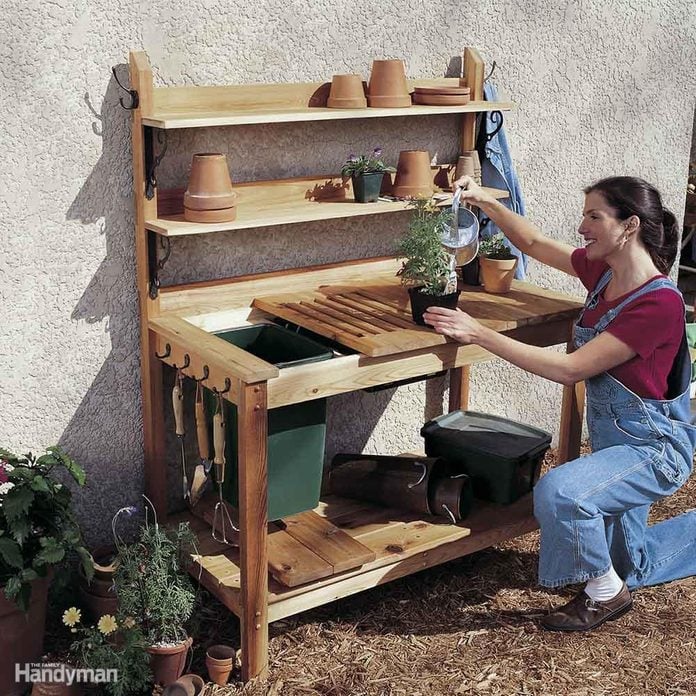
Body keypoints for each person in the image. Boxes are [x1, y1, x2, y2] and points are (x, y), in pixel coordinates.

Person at [424, 175, 696, 632]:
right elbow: (531, 241)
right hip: (616, 448)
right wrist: (485, 200)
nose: (582, 226)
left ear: (629, 225)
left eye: (594, 216)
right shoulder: (603, 271)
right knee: (636, 564)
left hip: (652, 451)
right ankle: (621, 577)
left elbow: (570, 370)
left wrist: (478, 333)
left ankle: (606, 594)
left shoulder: (657, 305)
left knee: (561, 493)